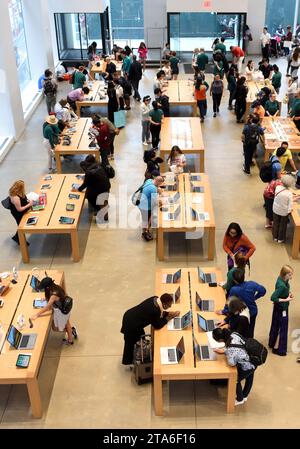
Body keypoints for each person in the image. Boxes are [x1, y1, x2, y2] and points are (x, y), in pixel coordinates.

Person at [121, 293, 179, 365]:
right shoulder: (155, 310)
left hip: (131, 316)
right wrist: (168, 318)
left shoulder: (156, 299)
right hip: (131, 324)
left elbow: (158, 313)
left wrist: (168, 313)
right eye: (169, 305)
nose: (170, 306)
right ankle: (129, 361)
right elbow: (157, 325)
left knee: (141, 338)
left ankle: (137, 357)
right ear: (164, 304)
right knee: (131, 342)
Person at [212, 328, 256, 405]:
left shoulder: (230, 349)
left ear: (220, 339)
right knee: (250, 377)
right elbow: (238, 346)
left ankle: (240, 399)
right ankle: (245, 395)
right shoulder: (233, 334)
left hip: (247, 365)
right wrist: (226, 351)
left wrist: (227, 352)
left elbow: (231, 363)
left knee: (235, 379)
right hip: (253, 358)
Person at [31, 281, 77, 346]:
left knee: (56, 328)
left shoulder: (53, 295)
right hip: (65, 308)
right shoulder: (57, 287)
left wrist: (36, 315)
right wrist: (46, 299)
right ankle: (71, 334)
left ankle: (70, 338)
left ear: (47, 287)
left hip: (62, 312)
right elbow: (61, 296)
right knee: (65, 324)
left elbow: (47, 307)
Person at [229, 269, 266, 338]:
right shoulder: (252, 284)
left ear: (234, 280)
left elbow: (231, 302)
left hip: (241, 313)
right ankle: (250, 341)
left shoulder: (234, 289)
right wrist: (255, 297)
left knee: (241, 330)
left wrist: (223, 311)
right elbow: (263, 290)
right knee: (251, 329)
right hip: (252, 311)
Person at [72, 154, 111, 219]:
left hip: (101, 189)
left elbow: (85, 184)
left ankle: (102, 213)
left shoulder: (89, 172)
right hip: (106, 186)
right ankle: (103, 207)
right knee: (101, 199)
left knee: (88, 196)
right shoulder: (98, 165)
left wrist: (78, 190)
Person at [269, 265, 294, 356]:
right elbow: (273, 297)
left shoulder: (281, 279)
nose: (291, 277)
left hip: (278, 307)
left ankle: (272, 342)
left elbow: (284, 290)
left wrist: (289, 293)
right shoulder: (282, 286)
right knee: (282, 328)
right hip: (282, 308)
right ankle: (277, 348)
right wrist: (286, 299)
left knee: (276, 325)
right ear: (285, 274)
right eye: (290, 275)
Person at [138, 175, 165, 241]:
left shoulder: (149, 180)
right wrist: (161, 203)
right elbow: (154, 201)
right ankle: (144, 233)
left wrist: (157, 189)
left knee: (147, 218)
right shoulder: (153, 188)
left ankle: (146, 230)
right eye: (160, 184)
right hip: (144, 206)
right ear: (158, 182)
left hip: (141, 201)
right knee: (146, 219)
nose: (160, 185)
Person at [8, 180, 32, 245]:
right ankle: (20, 240)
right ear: (19, 188)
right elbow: (19, 209)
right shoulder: (15, 197)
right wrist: (29, 205)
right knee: (21, 226)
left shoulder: (18, 192)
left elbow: (23, 198)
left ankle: (16, 237)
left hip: (21, 209)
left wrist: (27, 201)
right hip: (18, 213)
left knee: (20, 226)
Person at [272, 174, 295, 243]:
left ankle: (275, 237)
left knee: (276, 223)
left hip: (275, 209)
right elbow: (290, 205)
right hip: (283, 212)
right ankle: (280, 239)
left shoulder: (278, 187)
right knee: (283, 225)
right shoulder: (289, 194)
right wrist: (289, 211)